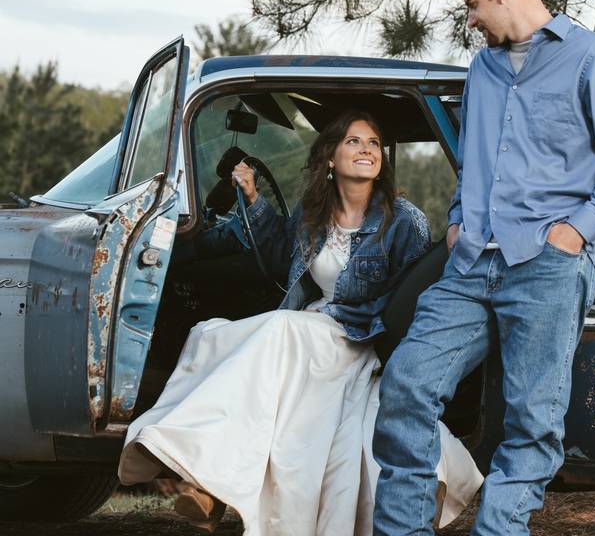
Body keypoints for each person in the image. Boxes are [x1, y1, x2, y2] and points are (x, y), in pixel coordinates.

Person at [372, 0, 595, 535]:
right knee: (406, 383)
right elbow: (477, 162)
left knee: (530, 422)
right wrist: (456, 220)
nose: (471, 17)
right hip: (474, 260)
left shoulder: (593, 58)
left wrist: (577, 231)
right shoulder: (482, 69)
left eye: (474, 3)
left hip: (548, 263)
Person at [118, 111, 483, 535]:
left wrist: (338, 320)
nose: (366, 149)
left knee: (277, 329)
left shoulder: (403, 220)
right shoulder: (314, 215)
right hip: (312, 332)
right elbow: (278, 257)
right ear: (329, 157)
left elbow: (408, 298)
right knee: (209, 333)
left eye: (372, 143)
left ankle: (207, 478)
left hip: (360, 336)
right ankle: (204, 480)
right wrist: (253, 199)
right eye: (352, 141)